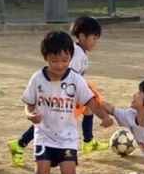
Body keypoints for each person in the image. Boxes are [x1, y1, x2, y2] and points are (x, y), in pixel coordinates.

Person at [22, 30, 105, 174]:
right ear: (46, 58)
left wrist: (103, 116)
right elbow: (28, 102)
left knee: (69, 172)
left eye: (65, 61)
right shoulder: (37, 79)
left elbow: (90, 101)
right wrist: (29, 114)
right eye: (54, 61)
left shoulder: (76, 79)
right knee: (42, 169)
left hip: (67, 135)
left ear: (71, 57)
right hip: (43, 133)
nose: (60, 66)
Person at [8, 16, 108, 166]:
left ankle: (88, 141)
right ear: (81, 36)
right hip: (62, 94)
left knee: (88, 108)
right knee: (48, 122)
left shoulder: (79, 52)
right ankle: (20, 143)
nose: (95, 42)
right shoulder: (76, 54)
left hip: (68, 93)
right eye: (93, 37)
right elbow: (66, 75)